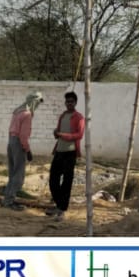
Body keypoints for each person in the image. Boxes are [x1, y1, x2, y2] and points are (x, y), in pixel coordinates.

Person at [46, 91, 85, 221]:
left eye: (71, 101)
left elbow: (79, 135)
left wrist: (62, 135)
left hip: (70, 152)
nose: (69, 104)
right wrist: (56, 133)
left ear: (75, 103)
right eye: (67, 101)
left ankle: (62, 210)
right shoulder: (63, 115)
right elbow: (58, 132)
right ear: (65, 103)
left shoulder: (79, 117)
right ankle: (59, 205)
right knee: (53, 180)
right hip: (59, 151)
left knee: (67, 182)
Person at [2, 92, 43, 211]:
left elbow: (11, 130)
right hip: (18, 144)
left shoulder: (17, 111)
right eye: (38, 102)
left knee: (12, 173)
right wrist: (28, 151)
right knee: (19, 174)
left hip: (11, 142)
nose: (38, 105)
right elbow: (23, 137)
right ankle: (10, 201)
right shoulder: (27, 114)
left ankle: (7, 199)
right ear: (34, 102)